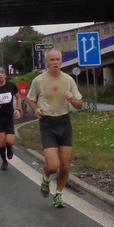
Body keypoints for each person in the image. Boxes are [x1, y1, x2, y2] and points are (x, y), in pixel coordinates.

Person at [26, 49, 83, 208]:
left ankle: (58, 194)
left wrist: (72, 100)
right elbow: (30, 99)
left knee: (65, 166)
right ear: (46, 62)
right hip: (47, 124)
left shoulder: (68, 80)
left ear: (61, 61)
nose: (55, 62)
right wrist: (36, 109)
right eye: (52, 60)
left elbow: (80, 105)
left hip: (64, 123)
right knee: (52, 165)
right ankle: (46, 179)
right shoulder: (38, 80)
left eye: (58, 59)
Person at [0, 67, 22, 170]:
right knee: (1, 141)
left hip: (9, 116)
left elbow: (18, 97)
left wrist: (18, 109)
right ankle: (4, 161)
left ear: (5, 75)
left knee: (10, 141)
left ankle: (9, 147)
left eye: (2, 73)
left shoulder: (11, 86)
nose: (1, 75)